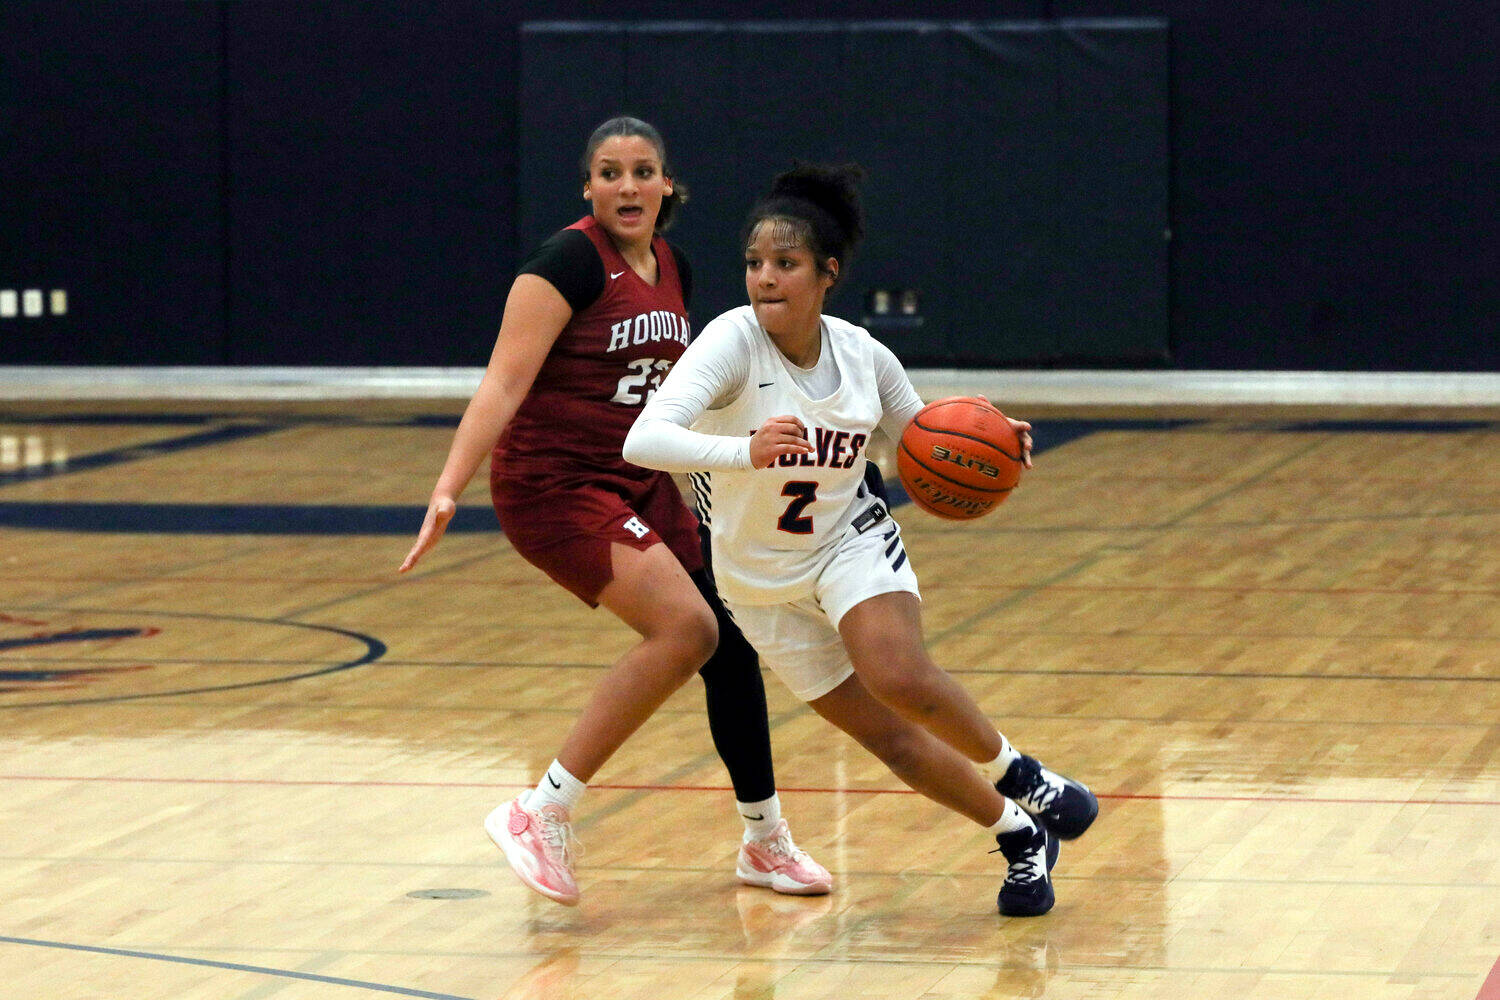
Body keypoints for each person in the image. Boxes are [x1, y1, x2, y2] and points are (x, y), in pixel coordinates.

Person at [623, 162, 1098, 916]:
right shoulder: (730, 343)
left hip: (849, 540)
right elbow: (643, 441)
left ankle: (1024, 775)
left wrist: (992, 441)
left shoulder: (864, 356)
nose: (765, 279)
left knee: (897, 673)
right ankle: (1020, 836)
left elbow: (923, 439)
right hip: (755, 582)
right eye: (754, 263)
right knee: (891, 739)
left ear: (826, 273)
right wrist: (741, 451)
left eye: (786, 264)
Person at [399, 117, 829, 906]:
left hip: (636, 478)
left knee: (730, 646)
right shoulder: (564, 262)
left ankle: (765, 842)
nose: (627, 187)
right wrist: (449, 483)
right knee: (687, 629)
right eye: (609, 173)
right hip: (553, 485)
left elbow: (677, 398)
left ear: (667, 185)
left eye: (642, 172)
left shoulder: (675, 265)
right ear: (587, 188)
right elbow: (502, 382)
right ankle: (541, 811)